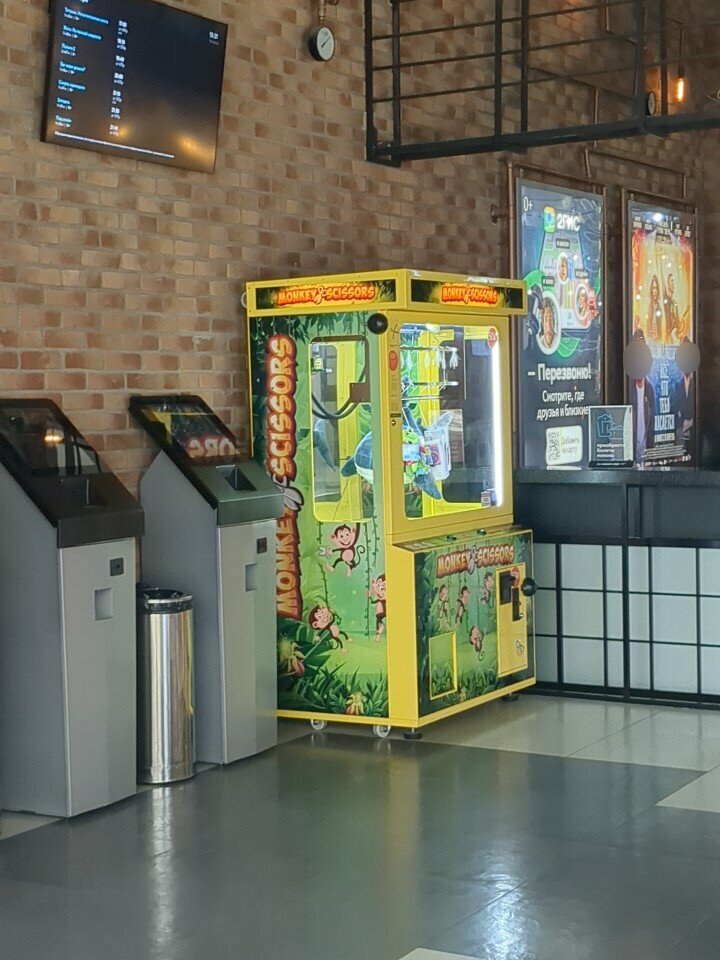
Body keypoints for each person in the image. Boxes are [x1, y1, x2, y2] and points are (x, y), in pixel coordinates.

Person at [631, 369, 655, 464]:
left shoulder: (649, 389)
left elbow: (651, 422)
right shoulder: (628, 389)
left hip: (645, 452)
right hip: (631, 452)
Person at [646, 274, 662, 342]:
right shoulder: (649, 307)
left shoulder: (660, 308)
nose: (655, 291)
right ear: (651, 290)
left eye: (656, 288)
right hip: (650, 340)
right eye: (653, 288)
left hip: (658, 339)